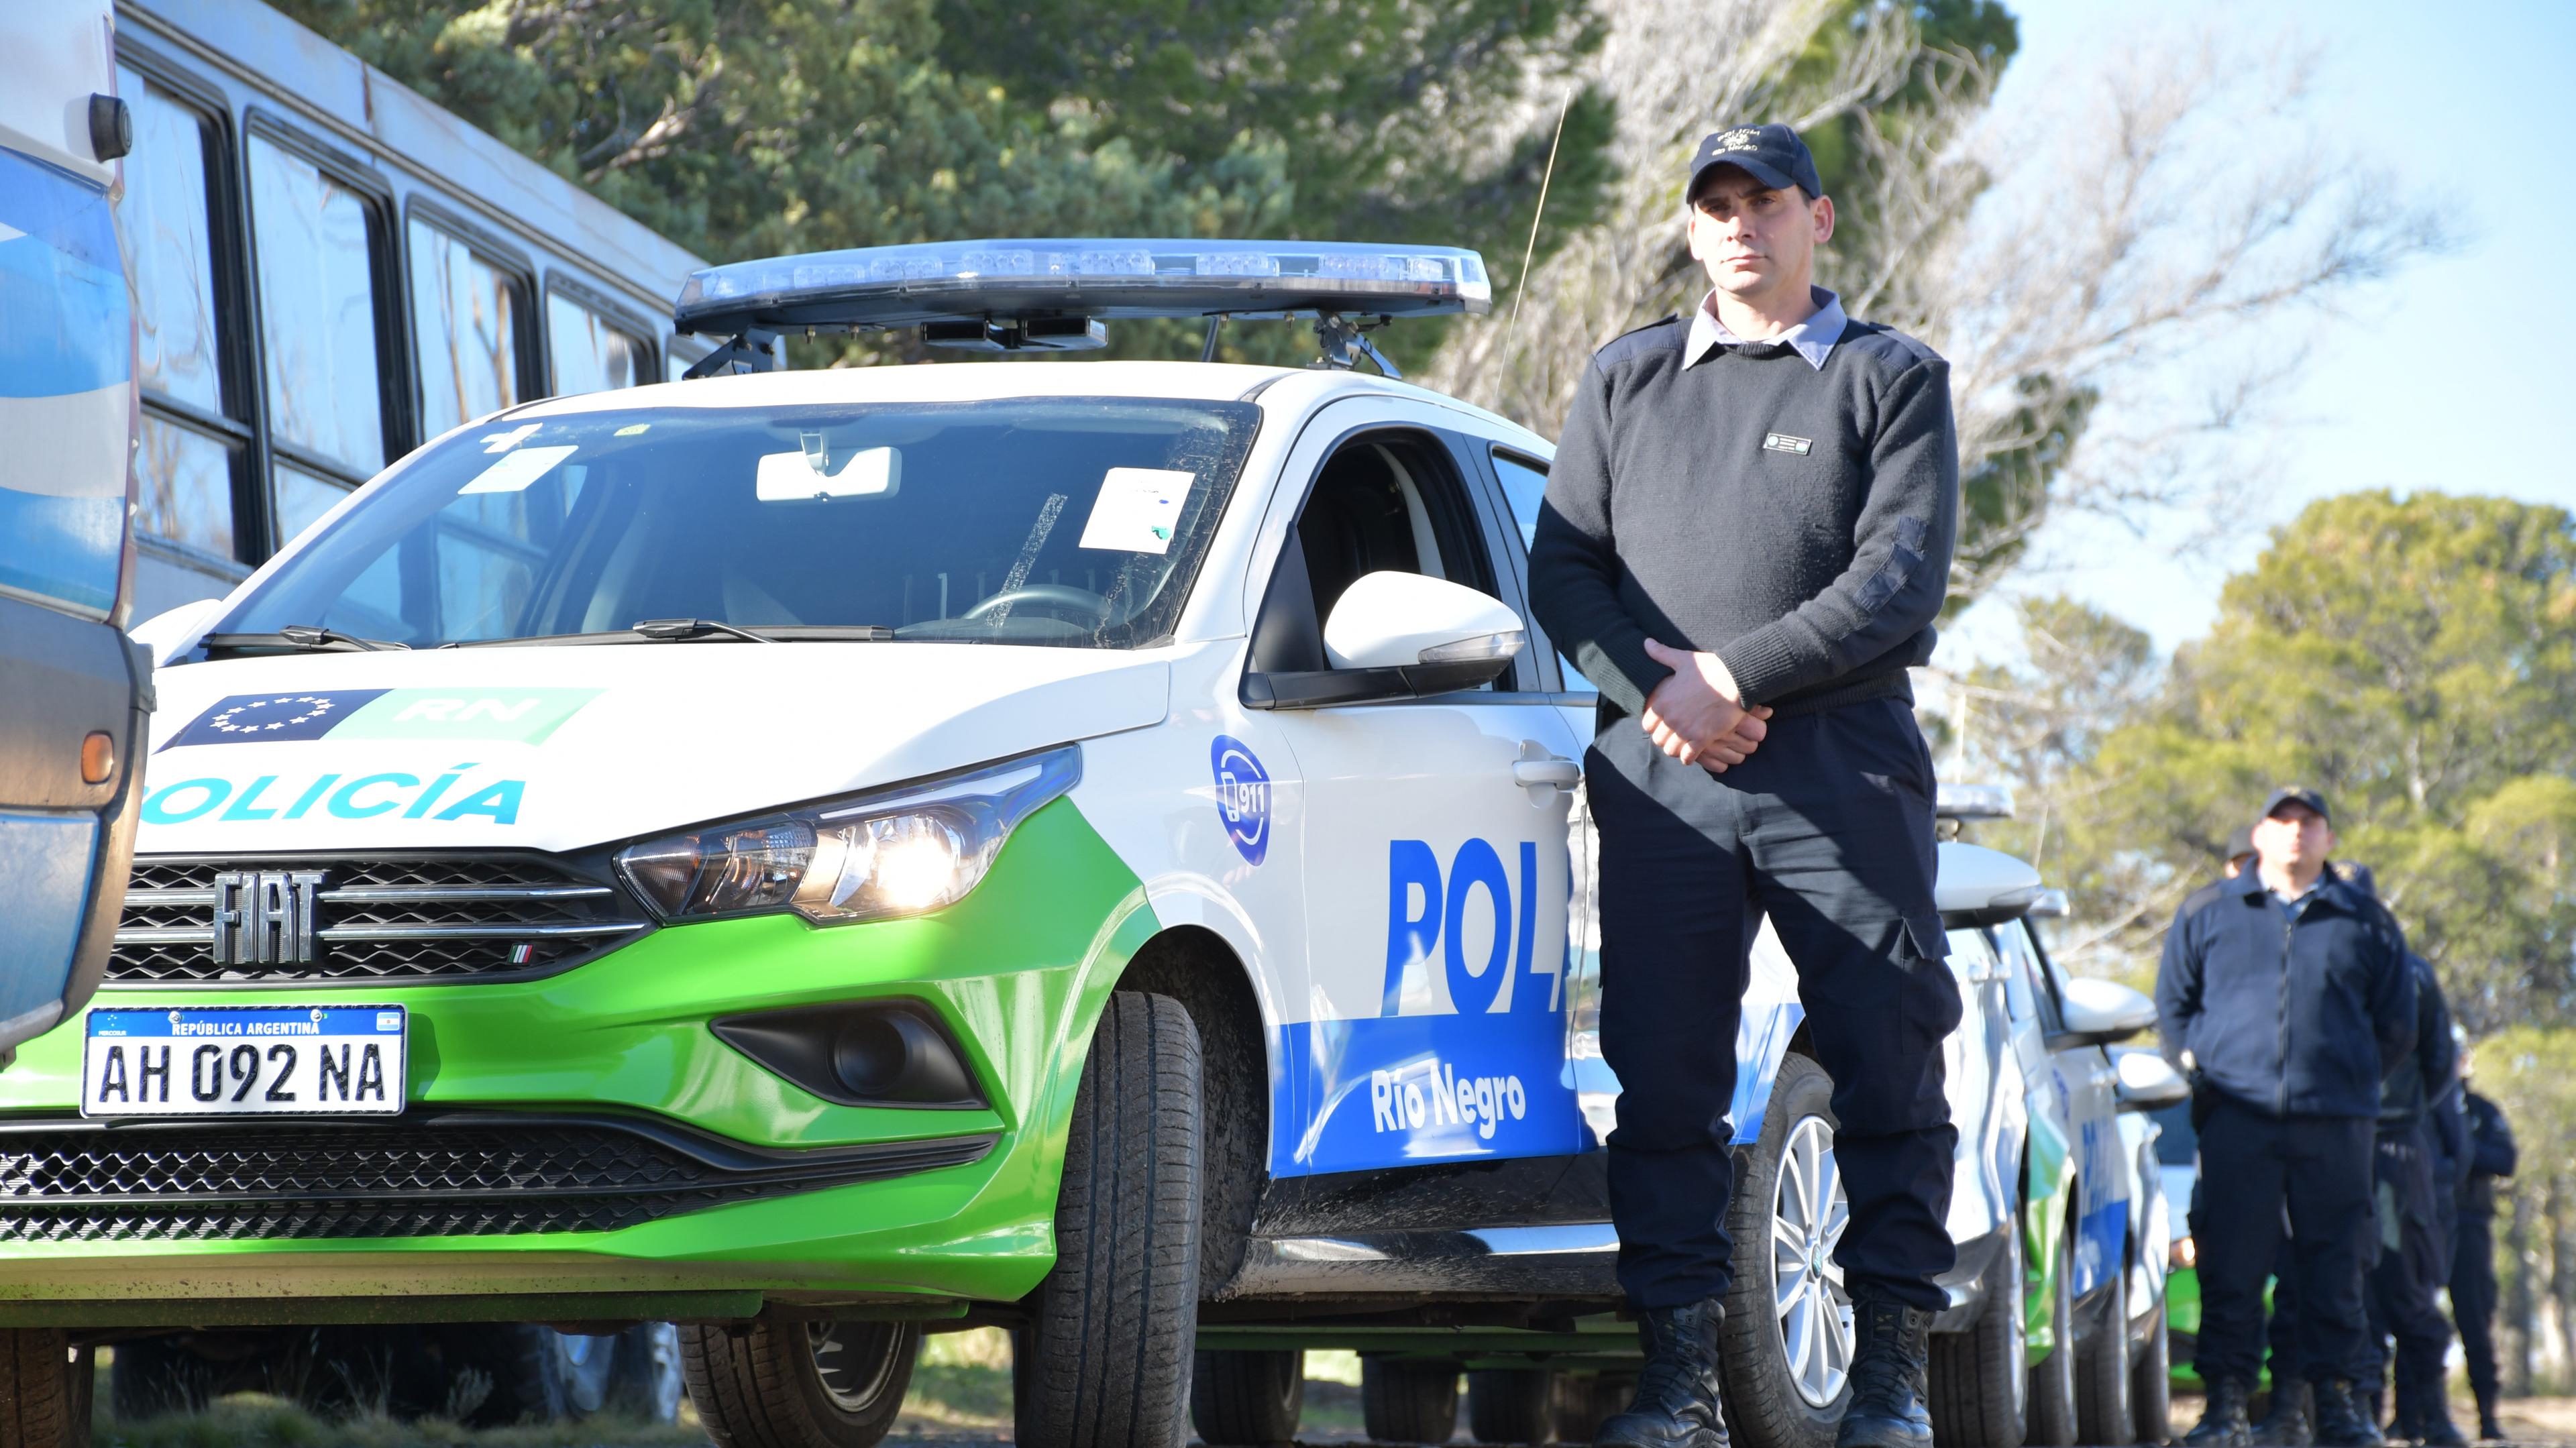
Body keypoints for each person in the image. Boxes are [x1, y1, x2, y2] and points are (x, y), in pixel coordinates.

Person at [1528, 120, 1960, 1448]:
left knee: (1886, 1060)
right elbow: (1563, 571)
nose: (1739, 226)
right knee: (1664, 1079)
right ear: (1692, 226)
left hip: (1845, 762)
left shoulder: (1891, 376)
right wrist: (1665, 695)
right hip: (1662, 773)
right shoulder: (1626, 377)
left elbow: (1898, 578)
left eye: (1765, 203)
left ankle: (1888, 1380)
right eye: (1716, 205)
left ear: (1816, 219)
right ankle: (1679, 1385)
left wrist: (1734, 673)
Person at [2157, 788, 2416, 1448]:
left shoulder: (2366, 919)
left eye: (2310, 822)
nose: (2297, 832)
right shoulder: (2209, 911)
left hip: (2335, 1124)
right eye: (2283, 820)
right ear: (2259, 834)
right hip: (2237, 1119)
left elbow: (2397, 1023)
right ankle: (2225, 1407)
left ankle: (2336, 1406)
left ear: (2330, 838)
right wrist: (2207, 1075)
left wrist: (2347, 1079)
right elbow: (2175, 1009)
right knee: (2231, 1264)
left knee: (2335, 1266)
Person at [2452, 1050, 2518, 1441]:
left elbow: (2505, 1160)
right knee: (2411, 1315)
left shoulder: (2481, 1110)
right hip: (2422, 1224)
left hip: (2470, 1225)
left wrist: (2461, 1150)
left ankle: (2488, 1416)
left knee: (2476, 1322)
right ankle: (2409, 1414)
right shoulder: (2416, 1104)